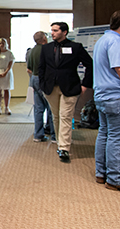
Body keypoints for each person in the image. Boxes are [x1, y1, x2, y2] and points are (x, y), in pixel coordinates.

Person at [39, 22, 93, 162]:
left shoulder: (75, 47)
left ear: (64, 32)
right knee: (56, 116)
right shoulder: (46, 48)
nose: (52, 33)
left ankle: (64, 148)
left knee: (66, 117)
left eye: (56, 30)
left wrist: (85, 84)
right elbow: (41, 68)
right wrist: (42, 85)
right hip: (50, 88)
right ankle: (59, 141)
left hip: (70, 87)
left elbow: (90, 64)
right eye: (51, 30)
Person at [93, 10, 120, 190]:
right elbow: (118, 68)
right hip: (114, 96)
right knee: (116, 137)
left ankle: (101, 173)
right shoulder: (116, 41)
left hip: (101, 95)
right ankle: (114, 179)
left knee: (104, 133)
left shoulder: (102, 40)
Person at [27, 31, 56, 142]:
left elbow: (29, 67)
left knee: (38, 108)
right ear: (44, 38)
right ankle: (54, 135)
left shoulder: (31, 51)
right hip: (44, 79)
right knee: (50, 108)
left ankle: (38, 135)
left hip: (34, 78)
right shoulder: (47, 49)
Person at [0, 38, 15, 115]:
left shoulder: (9, 53)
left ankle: (7, 107)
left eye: (3, 43)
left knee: (6, 90)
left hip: (7, 73)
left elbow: (10, 63)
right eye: (0, 43)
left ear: (6, 44)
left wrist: (6, 72)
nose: (1, 45)